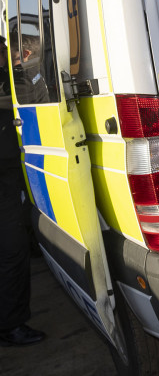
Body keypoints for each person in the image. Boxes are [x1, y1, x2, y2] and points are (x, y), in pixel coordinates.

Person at [0, 35, 45, 346]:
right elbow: (35, 92)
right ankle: (11, 325)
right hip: (3, 182)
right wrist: (31, 64)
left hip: (8, 177)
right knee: (12, 253)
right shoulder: (10, 83)